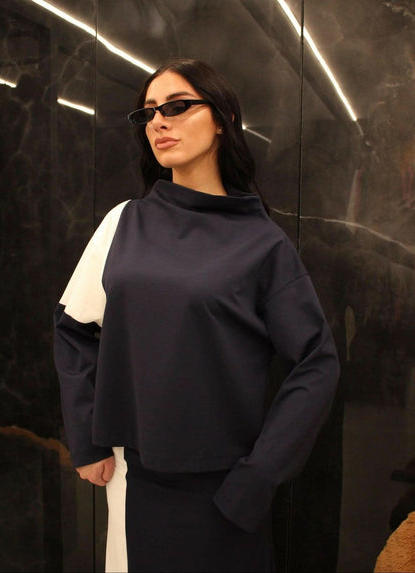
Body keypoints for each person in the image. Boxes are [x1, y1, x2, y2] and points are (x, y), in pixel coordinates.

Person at [54, 58, 340, 573]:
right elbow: (74, 328)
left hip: (226, 490)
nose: (158, 123)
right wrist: (86, 439)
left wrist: (259, 476)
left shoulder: (262, 243)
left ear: (223, 119)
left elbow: (316, 362)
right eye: (148, 113)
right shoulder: (124, 224)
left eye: (177, 107)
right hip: (135, 478)